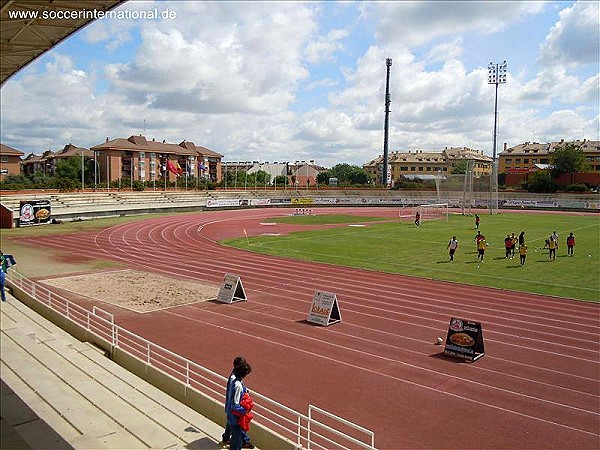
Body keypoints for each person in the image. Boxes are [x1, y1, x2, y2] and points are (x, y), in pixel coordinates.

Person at [222, 357, 252, 447]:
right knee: (236, 440)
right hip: (235, 415)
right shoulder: (237, 384)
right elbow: (235, 404)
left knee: (232, 429)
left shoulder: (234, 377)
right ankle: (244, 441)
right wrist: (245, 410)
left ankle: (228, 438)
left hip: (231, 412)